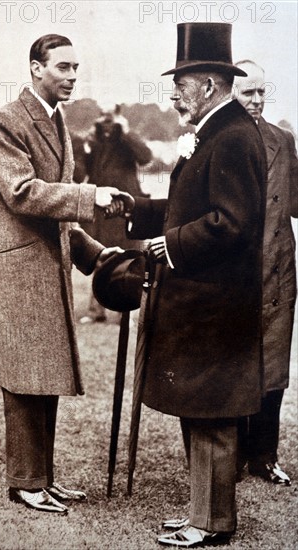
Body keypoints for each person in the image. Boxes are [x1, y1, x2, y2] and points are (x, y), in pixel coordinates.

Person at [107, 23, 267, 547]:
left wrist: (169, 243)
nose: (174, 92)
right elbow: (190, 207)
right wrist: (137, 209)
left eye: (183, 81)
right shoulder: (217, 132)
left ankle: (214, 522)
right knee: (199, 409)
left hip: (218, 304)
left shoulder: (235, 136)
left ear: (211, 85)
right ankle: (202, 512)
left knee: (215, 414)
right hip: (204, 301)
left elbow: (232, 221)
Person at [0, 33, 122, 514]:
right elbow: (21, 192)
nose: (72, 76)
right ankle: (25, 482)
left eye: (76, 67)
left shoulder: (61, 126)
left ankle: (43, 478)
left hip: (42, 268)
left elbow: (60, 214)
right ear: (36, 68)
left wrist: (97, 253)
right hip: (13, 270)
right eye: (62, 67)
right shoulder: (4, 122)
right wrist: (88, 194)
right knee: (22, 379)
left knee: (42, 376)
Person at [233, 60, 298, 485]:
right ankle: (232, 456)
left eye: (261, 93)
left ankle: (265, 455)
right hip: (236, 274)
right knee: (236, 364)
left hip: (279, 269)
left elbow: (295, 203)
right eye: (247, 93)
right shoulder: (222, 140)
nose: (256, 101)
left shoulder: (283, 139)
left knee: (273, 367)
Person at [79, 106, 152, 323]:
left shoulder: (127, 139)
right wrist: (88, 145)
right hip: (102, 210)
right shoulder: (95, 141)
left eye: (111, 119)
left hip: (127, 207)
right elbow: (82, 172)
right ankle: (96, 311)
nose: (107, 124)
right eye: (103, 119)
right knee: (100, 255)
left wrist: (126, 131)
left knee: (129, 257)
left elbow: (145, 157)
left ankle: (126, 311)